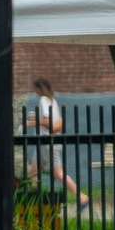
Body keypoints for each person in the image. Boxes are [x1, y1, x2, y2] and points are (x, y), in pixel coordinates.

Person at [27, 76, 87, 209]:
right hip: (44, 141)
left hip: (47, 142)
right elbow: (57, 121)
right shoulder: (53, 101)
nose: (35, 91)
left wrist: (31, 122)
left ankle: (81, 196)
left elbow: (47, 122)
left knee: (58, 173)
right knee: (34, 170)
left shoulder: (43, 100)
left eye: (36, 88)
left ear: (39, 88)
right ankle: (34, 200)